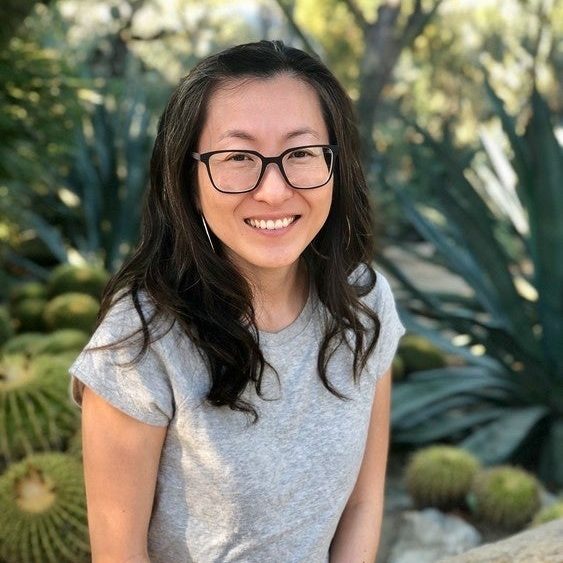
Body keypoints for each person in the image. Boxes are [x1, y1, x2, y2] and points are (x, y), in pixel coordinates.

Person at [69, 40, 405, 563]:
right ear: (188, 177)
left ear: (336, 166)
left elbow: (363, 502)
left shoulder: (363, 302)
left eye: (300, 153)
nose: (273, 190)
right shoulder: (137, 343)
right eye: (238, 158)